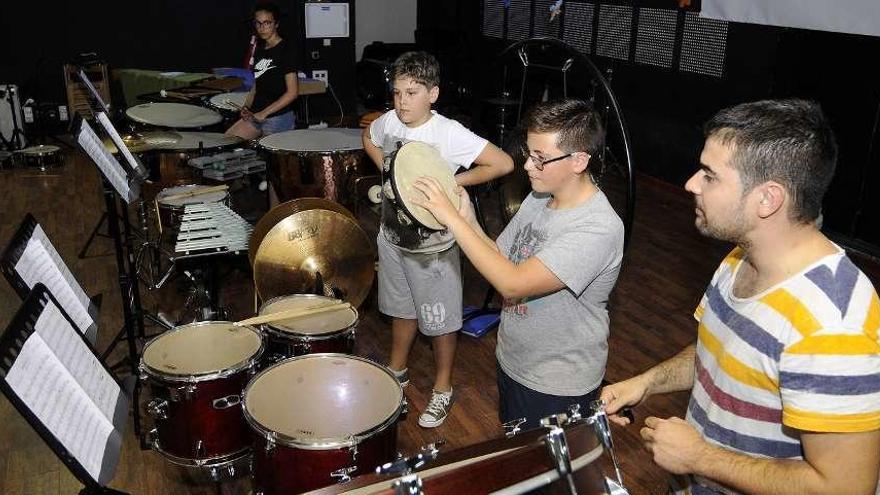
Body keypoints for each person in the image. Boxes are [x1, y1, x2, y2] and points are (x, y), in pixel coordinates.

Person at [600, 99, 880, 494]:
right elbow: (718, 351)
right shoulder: (740, 258)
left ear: (768, 199)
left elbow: (845, 488)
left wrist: (700, 458)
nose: (691, 184)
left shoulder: (832, 324)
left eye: (710, 176)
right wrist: (647, 383)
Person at [412, 99, 624, 428]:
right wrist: (467, 217)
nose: (527, 166)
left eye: (540, 159)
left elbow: (513, 283)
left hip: (556, 382)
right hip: (514, 361)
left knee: (547, 476)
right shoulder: (540, 196)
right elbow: (501, 257)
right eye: (529, 154)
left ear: (579, 161)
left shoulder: (597, 227)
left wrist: (451, 219)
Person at [362, 51, 514, 428]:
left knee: (441, 321)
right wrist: (385, 167)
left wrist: (452, 182)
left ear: (433, 93)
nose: (402, 102)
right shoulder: (388, 122)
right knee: (401, 309)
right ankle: (397, 370)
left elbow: (502, 163)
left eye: (412, 93)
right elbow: (369, 136)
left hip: (433, 248)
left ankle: (443, 388)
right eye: (396, 93)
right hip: (392, 238)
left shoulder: (447, 132)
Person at [226, 2, 298, 140]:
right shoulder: (260, 49)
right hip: (256, 114)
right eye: (258, 23)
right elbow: (256, 84)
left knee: (271, 159)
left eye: (267, 23)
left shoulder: (286, 50)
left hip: (278, 117)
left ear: (276, 24)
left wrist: (264, 113)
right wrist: (247, 107)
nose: (262, 28)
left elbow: (292, 93)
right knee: (228, 140)